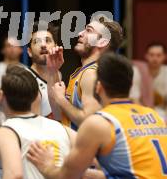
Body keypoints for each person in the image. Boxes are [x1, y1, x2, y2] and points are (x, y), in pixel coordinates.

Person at [27, 52, 167, 179]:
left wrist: (47, 166)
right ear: (130, 87)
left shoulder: (100, 122)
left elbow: (67, 176)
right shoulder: (155, 116)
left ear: (98, 87)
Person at [0, 64, 73, 179]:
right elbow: (95, 161)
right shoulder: (63, 129)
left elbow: (14, 175)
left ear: (1, 96)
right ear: (37, 97)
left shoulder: (6, 132)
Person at [46, 17, 123, 130]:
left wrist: (61, 99)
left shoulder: (92, 74)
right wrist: (52, 71)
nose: (80, 33)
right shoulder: (83, 72)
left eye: (89, 30)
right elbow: (58, 114)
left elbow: (90, 122)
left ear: (102, 42)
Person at [27, 21, 62, 119]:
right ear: (29, 52)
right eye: (37, 41)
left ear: (56, 46)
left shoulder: (58, 74)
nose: (43, 45)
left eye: (47, 40)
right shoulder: (24, 79)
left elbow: (59, 116)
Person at [0, 36, 23, 128]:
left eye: (15, 46)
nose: (12, 48)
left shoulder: (26, 71)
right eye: (9, 46)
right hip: (0, 122)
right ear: (3, 50)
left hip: (23, 121)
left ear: (21, 50)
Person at [130, 42, 167, 120]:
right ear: (146, 56)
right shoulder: (138, 71)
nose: (155, 59)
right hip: (140, 111)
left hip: (162, 112)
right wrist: (146, 116)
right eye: (151, 55)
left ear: (164, 56)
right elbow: (134, 98)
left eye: (159, 55)